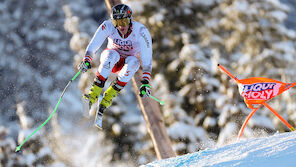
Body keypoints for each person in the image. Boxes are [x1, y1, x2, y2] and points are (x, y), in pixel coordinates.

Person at [78, 4, 153, 129]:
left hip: (127, 62)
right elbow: (93, 45)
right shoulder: (107, 26)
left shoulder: (141, 31)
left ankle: (107, 98)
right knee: (112, 55)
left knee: (134, 62)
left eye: (124, 21)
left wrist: (146, 82)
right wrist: (87, 60)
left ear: (130, 20)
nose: (121, 26)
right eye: (116, 22)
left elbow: (147, 59)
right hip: (111, 58)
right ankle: (92, 96)